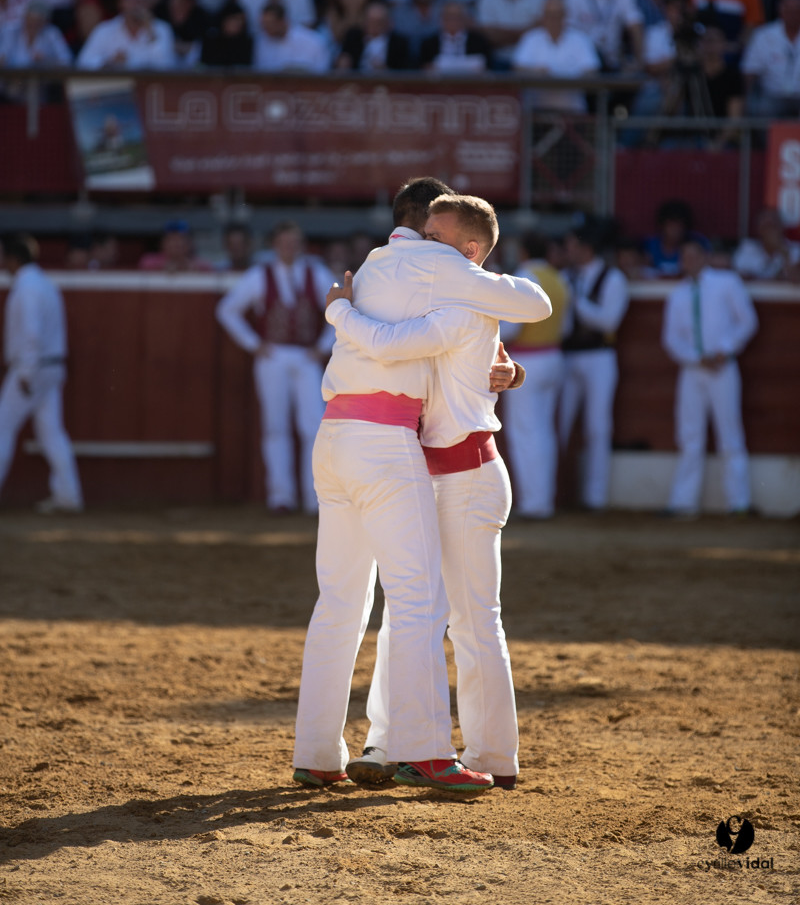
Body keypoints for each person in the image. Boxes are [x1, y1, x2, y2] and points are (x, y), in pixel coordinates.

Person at [292, 177, 551, 792]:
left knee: (430, 612)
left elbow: (391, 342)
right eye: (423, 232)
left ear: (462, 252)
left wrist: (337, 310)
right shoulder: (434, 280)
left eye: (436, 237)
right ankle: (402, 742)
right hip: (410, 458)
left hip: (437, 463)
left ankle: (459, 750)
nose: (422, 243)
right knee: (421, 608)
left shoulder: (400, 276)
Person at [216, 221, 335, 515]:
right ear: (274, 245)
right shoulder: (260, 275)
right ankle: (280, 496)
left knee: (313, 426)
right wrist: (253, 343)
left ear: (301, 245)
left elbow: (341, 307)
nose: (289, 248)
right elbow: (226, 310)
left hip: (306, 356)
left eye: (294, 243)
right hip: (273, 355)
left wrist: (322, 346)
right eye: (284, 243)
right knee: (275, 426)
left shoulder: (316, 273)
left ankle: (313, 497)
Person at [662, 238, 759, 517]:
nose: (689, 260)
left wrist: (723, 351)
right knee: (689, 435)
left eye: (694, 255)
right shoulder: (678, 294)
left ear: (705, 256)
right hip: (692, 370)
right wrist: (696, 357)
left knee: (730, 432)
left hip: (723, 366)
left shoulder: (726, 282)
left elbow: (747, 322)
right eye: (685, 256)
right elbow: (671, 339)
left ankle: (738, 502)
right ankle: (683, 503)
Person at [0, 234, 83, 516]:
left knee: (2, 427)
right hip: (51, 366)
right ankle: (68, 495)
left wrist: (25, 371)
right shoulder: (45, 284)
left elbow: (31, 334)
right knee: (51, 433)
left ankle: (68, 495)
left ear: (11, 258)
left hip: (31, 368)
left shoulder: (26, 288)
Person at [559, 220, 630, 512]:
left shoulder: (613, 279)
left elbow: (608, 321)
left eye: (573, 246)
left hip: (600, 356)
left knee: (597, 426)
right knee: (560, 423)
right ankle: (560, 494)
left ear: (586, 248)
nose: (568, 251)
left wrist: (576, 302)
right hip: (567, 356)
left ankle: (595, 498)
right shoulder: (565, 276)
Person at [500, 232, 570, 520]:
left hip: (527, 360)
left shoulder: (524, 276)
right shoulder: (559, 278)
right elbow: (565, 327)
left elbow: (512, 329)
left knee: (525, 432)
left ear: (524, 252)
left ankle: (533, 504)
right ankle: (543, 501)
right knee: (543, 431)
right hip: (554, 357)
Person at [512, 0, 601, 112]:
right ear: (543, 16)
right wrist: (535, 72)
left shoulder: (580, 39)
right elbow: (517, 70)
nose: (553, 20)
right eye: (549, 15)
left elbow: (592, 72)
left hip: (573, 112)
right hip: (536, 112)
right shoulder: (530, 38)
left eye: (558, 15)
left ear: (565, 16)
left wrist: (567, 79)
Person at [77, 0, 176, 70]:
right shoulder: (104, 30)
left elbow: (167, 66)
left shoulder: (162, 29)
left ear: (150, 3)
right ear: (121, 2)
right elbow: (83, 63)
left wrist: (150, 29)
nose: (138, 2)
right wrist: (108, 63)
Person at [742, 0, 800, 114]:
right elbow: (750, 70)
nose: (792, 13)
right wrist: (744, 98)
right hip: (772, 95)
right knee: (762, 108)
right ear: (780, 9)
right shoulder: (763, 35)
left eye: (797, 9)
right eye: (788, 8)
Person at [252, 1, 330, 72]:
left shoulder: (313, 41)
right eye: (263, 24)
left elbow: (322, 72)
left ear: (283, 21)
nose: (266, 28)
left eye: (270, 24)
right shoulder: (261, 41)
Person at [419, 0, 492, 72]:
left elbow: (486, 68)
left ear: (465, 19)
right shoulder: (429, 44)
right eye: (448, 17)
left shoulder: (479, 42)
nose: (453, 21)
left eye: (457, 17)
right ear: (440, 19)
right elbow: (424, 70)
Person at [0, 0, 72, 67]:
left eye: (37, 21)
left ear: (45, 22)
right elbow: (3, 56)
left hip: (43, 79)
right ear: (25, 17)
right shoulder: (10, 31)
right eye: (30, 20)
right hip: (10, 78)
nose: (33, 24)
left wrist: (46, 60)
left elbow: (67, 60)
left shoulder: (52, 33)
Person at [733, 207, 800, 279]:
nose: (770, 231)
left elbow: (795, 277)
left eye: (774, 226)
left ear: (781, 228)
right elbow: (739, 274)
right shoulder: (747, 248)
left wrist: (784, 253)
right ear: (758, 229)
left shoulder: (796, 250)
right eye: (766, 226)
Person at [138, 221, 212, 272]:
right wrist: (163, 267)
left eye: (181, 239)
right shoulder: (149, 261)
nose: (177, 244)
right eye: (172, 239)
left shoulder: (202, 265)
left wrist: (192, 269)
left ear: (190, 243)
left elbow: (207, 269)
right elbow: (145, 266)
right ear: (162, 243)